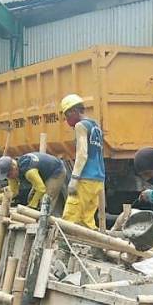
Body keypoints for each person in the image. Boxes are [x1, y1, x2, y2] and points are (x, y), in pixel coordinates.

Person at [60, 94, 105, 229]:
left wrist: (74, 179)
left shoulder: (81, 126)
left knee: (70, 217)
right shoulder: (95, 126)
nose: (67, 119)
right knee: (86, 220)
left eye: (67, 115)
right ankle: (91, 247)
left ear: (73, 111)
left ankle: (64, 248)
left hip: (85, 178)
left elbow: (82, 154)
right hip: (97, 180)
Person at [0, 152, 67, 210]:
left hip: (56, 171)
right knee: (30, 198)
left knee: (45, 201)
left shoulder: (29, 172)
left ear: (14, 167)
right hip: (41, 175)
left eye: (9, 175)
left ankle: (45, 223)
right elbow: (14, 191)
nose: (9, 177)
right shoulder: (13, 172)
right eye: (7, 176)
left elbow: (41, 189)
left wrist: (32, 206)